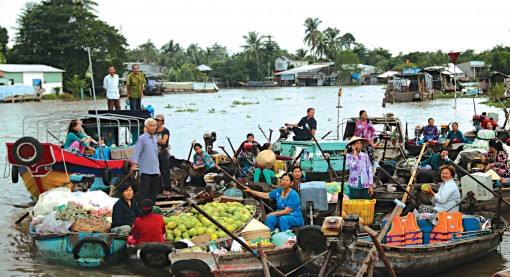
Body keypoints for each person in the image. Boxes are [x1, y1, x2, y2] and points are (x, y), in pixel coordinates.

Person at [132, 118, 160, 204]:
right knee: (144, 192)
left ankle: (151, 209)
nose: (153, 127)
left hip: (155, 170)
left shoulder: (155, 139)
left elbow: (155, 154)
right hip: (146, 170)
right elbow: (137, 152)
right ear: (146, 127)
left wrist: (158, 168)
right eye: (151, 126)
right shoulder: (142, 138)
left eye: (155, 125)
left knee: (154, 192)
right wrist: (134, 164)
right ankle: (142, 210)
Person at [154, 114, 171, 195]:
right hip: (155, 153)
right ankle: (158, 188)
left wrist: (155, 139)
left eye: (158, 120)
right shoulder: (153, 130)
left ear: (162, 122)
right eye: (156, 120)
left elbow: (164, 142)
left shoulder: (165, 131)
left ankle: (168, 188)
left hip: (163, 153)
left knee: (165, 171)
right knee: (156, 171)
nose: (157, 122)